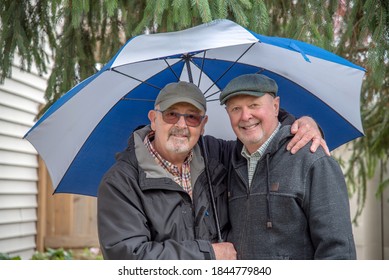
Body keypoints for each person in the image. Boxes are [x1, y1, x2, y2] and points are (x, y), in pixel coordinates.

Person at [97, 81, 326, 260]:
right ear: (153, 119)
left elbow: (260, 135)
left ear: (203, 124)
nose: (181, 125)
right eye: (171, 114)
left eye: (192, 117)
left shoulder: (220, 156)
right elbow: (128, 257)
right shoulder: (121, 182)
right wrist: (208, 255)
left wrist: (302, 124)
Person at [219, 73, 356, 259]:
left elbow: (338, 252)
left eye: (253, 105)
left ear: (275, 106)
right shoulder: (228, 162)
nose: (245, 116)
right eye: (235, 109)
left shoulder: (311, 159)